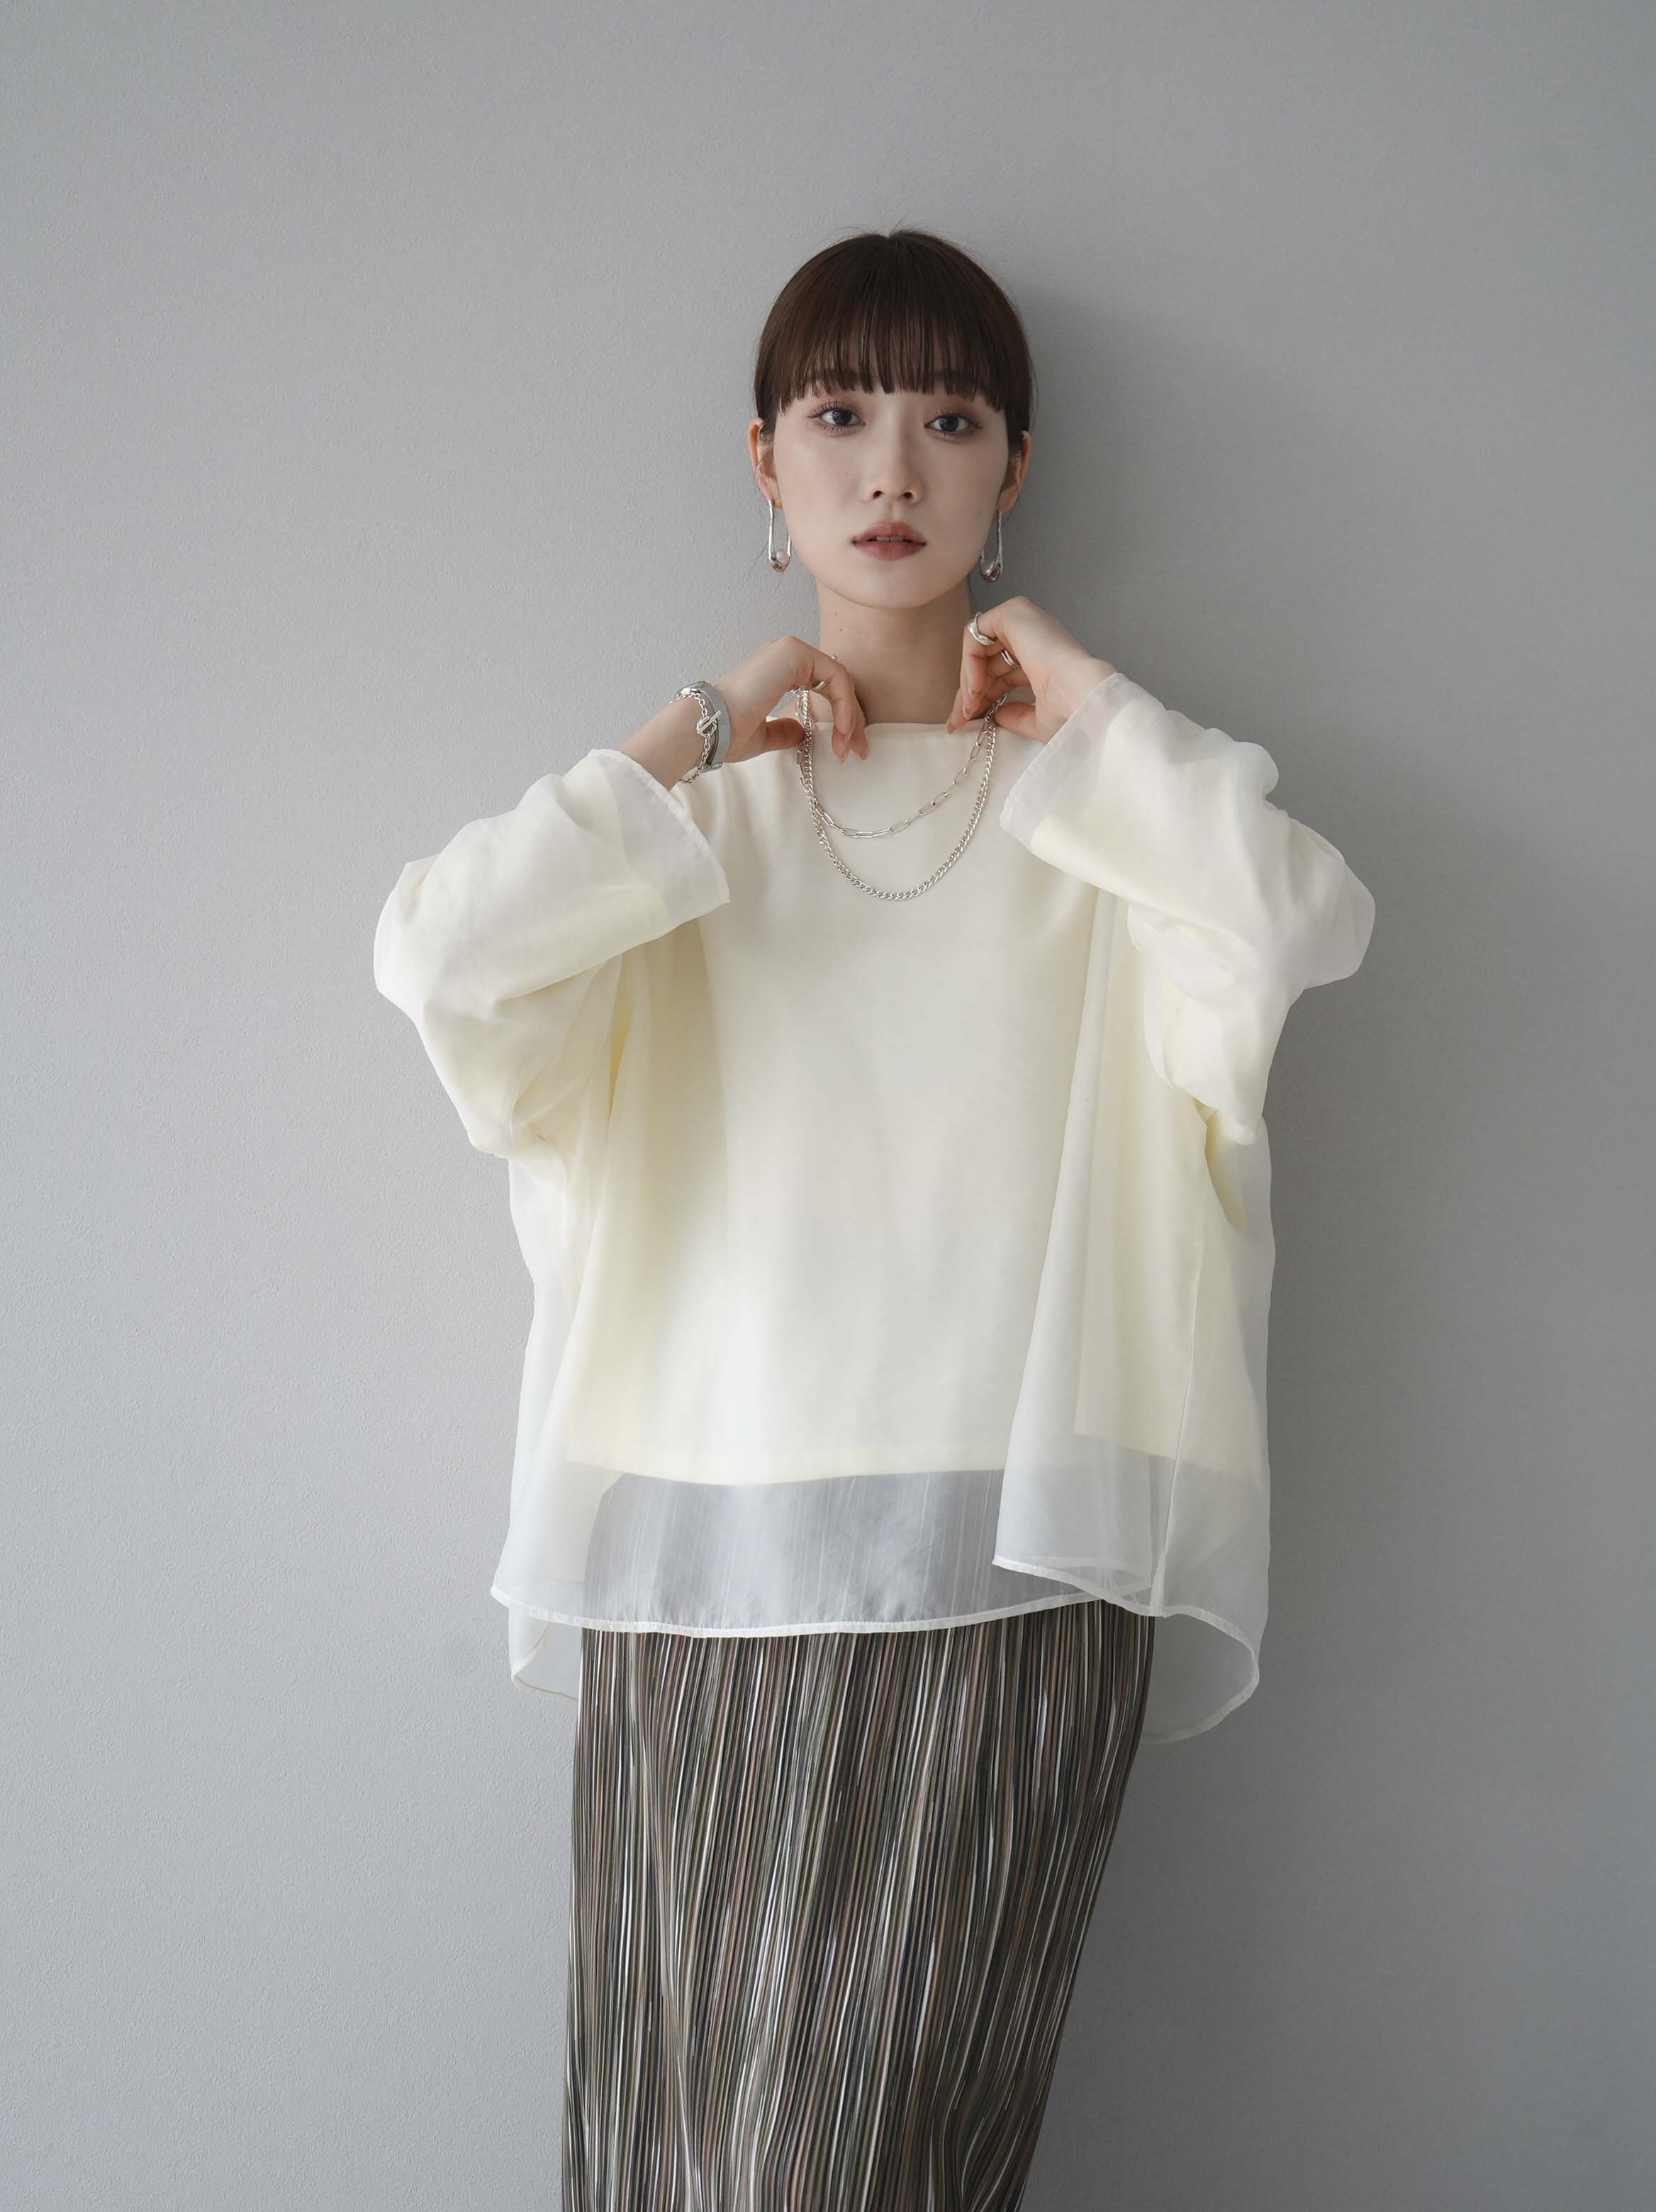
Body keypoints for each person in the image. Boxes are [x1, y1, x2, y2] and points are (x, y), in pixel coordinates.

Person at [374, 227, 1376, 2211]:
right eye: (838, 415)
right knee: (667, 2152)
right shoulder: (685, 832)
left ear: (1017, 468)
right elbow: (441, 960)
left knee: (873, 2166)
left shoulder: (1105, 822)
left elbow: (1289, 917)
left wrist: (1083, 692)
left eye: (951, 418)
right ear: (765, 464)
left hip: (1014, 1573)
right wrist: (704, 720)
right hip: (703, 1567)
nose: (894, 467)